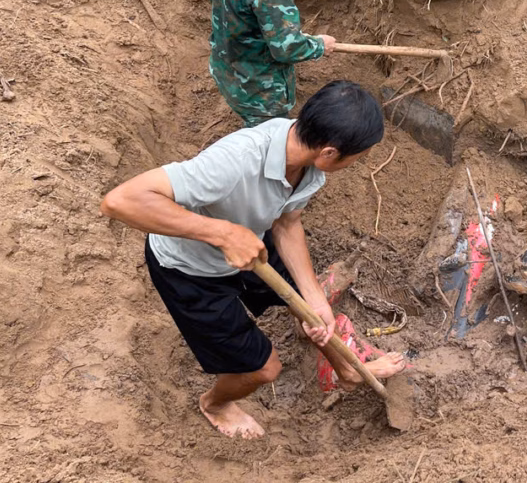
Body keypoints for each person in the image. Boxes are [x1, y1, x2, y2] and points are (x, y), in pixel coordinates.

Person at [100, 80, 406, 439]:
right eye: (359, 157)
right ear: (328, 152)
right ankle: (214, 404)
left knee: (310, 308)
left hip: (252, 243)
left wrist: (314, 296)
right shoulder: (235, 161)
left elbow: (287, 222)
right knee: (263, 370)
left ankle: (349, 372)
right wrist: (223, 234)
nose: (359, 163)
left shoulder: (306, 164)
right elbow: (120, 201)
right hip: (191, 270)